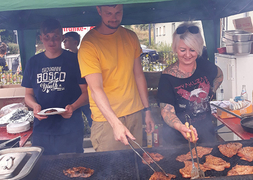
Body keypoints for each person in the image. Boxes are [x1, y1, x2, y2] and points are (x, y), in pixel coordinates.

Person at [78, 4, 155, 152]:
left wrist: (147, 111)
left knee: (135, 167)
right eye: (108, 13)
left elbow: (139, 75)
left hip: (134, 113)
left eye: (118, 12)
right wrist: (115, 123)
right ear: (99, 10)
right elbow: (96, 89)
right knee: (110, 171)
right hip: (106, 120)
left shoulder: (131, 36)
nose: (114, 18)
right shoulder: (89, 44)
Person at [21, 18, 88, 155]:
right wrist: (35, 106)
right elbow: (28, 95)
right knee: (43, 170)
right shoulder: (33, 62)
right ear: (41, 38)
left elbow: (87, 93)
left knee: (74, 168)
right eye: (47, 37)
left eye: (55, 37)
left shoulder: (75, 60)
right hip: (42, 130)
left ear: (62, 37)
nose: (51, 42)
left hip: (71, 129)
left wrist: (73, 107)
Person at [157, 22, 223, 146]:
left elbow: (220, 75)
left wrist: (211, 92)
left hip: (206, 135)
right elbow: (167, 111)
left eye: (192, 50)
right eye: (183, 50)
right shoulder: (168, 76)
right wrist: (181, 127)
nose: (187, 55)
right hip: (177, 140)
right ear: (175, 48)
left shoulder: (205, 66)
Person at [63, 31, 93, 127]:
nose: (64, 42)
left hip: (84, 93)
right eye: (63, 40)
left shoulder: (83, 56)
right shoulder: (64, 58)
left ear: (75, 42)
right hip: (71, 94)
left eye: (66, 40)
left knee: (90, 116)